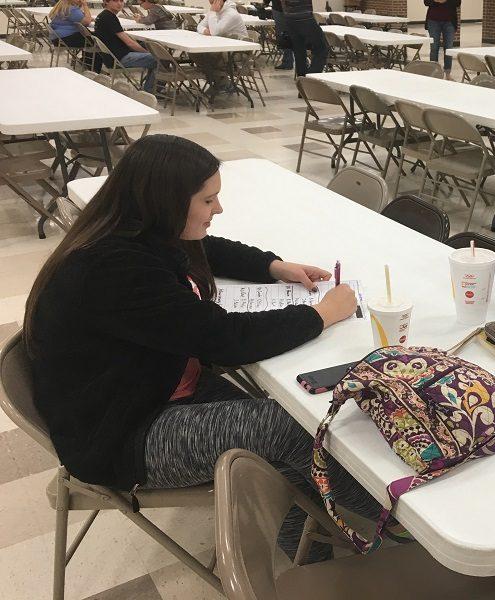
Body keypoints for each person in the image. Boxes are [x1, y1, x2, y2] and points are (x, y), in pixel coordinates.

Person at [24, 135, 383, 559]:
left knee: (289, 422)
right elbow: (225, 339)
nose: (219, 210)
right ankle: (390, 516)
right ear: (164, 202)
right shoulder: (113, 269)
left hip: (150, 388)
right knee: (286, 426)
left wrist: (272, 265)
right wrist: (322, 314)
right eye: (209, 201)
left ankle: (308, 547)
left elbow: (204, 248)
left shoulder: (132, 231)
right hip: (121, 434)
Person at [93, 0, 158, 93]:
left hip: (111, 57)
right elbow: (129, 43)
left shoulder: (103, 15)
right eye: (115, 1)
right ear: (106, 2)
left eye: (121, 1)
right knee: (158, 59)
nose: (119, 4)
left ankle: (149, 87)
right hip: (119, 58)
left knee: (147, 47)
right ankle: (149, 91)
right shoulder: (109, 17)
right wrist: (146, 52)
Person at [281, 0, 328, 77]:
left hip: (290, 17)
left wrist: (286, 13)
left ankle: (302, 77)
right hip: (305, 17)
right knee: (321, 48)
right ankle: (312, 75)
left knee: (299, 49)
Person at [424, 0, 459, 80]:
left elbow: (457, 3)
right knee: (434, 48)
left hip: (449, 21)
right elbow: (426, 2)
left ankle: (447, 74)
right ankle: (433, 73)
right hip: (433, 21)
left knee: (448, 49)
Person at [266, 0, 293, 70]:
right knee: (291, 35)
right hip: (291, 9)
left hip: (280, 9)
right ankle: (290, 60)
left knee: (283, 35)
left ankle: (287, 62)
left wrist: (265, 3)